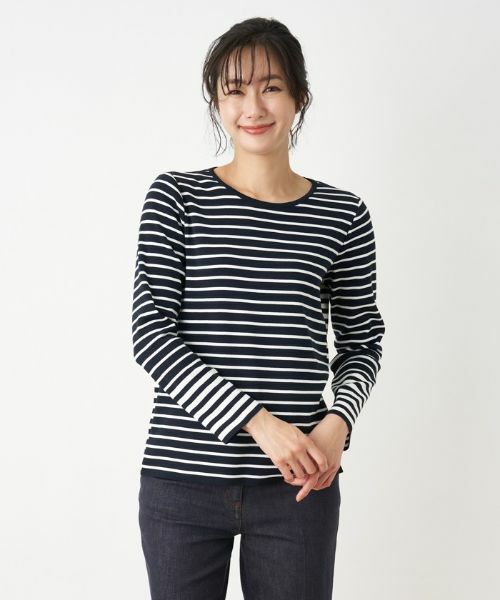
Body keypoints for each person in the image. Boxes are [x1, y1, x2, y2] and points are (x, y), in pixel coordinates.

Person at [132, 16, 385, 600]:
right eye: (234, 90)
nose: (253, 106)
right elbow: (152, 335)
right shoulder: (177, 198)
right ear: (217, 102)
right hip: (182, 480)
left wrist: (338, 424)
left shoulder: (343, 215)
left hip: (300, 485)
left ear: (299, 96)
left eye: (271, 86)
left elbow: (362, 341)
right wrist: (260, 425)